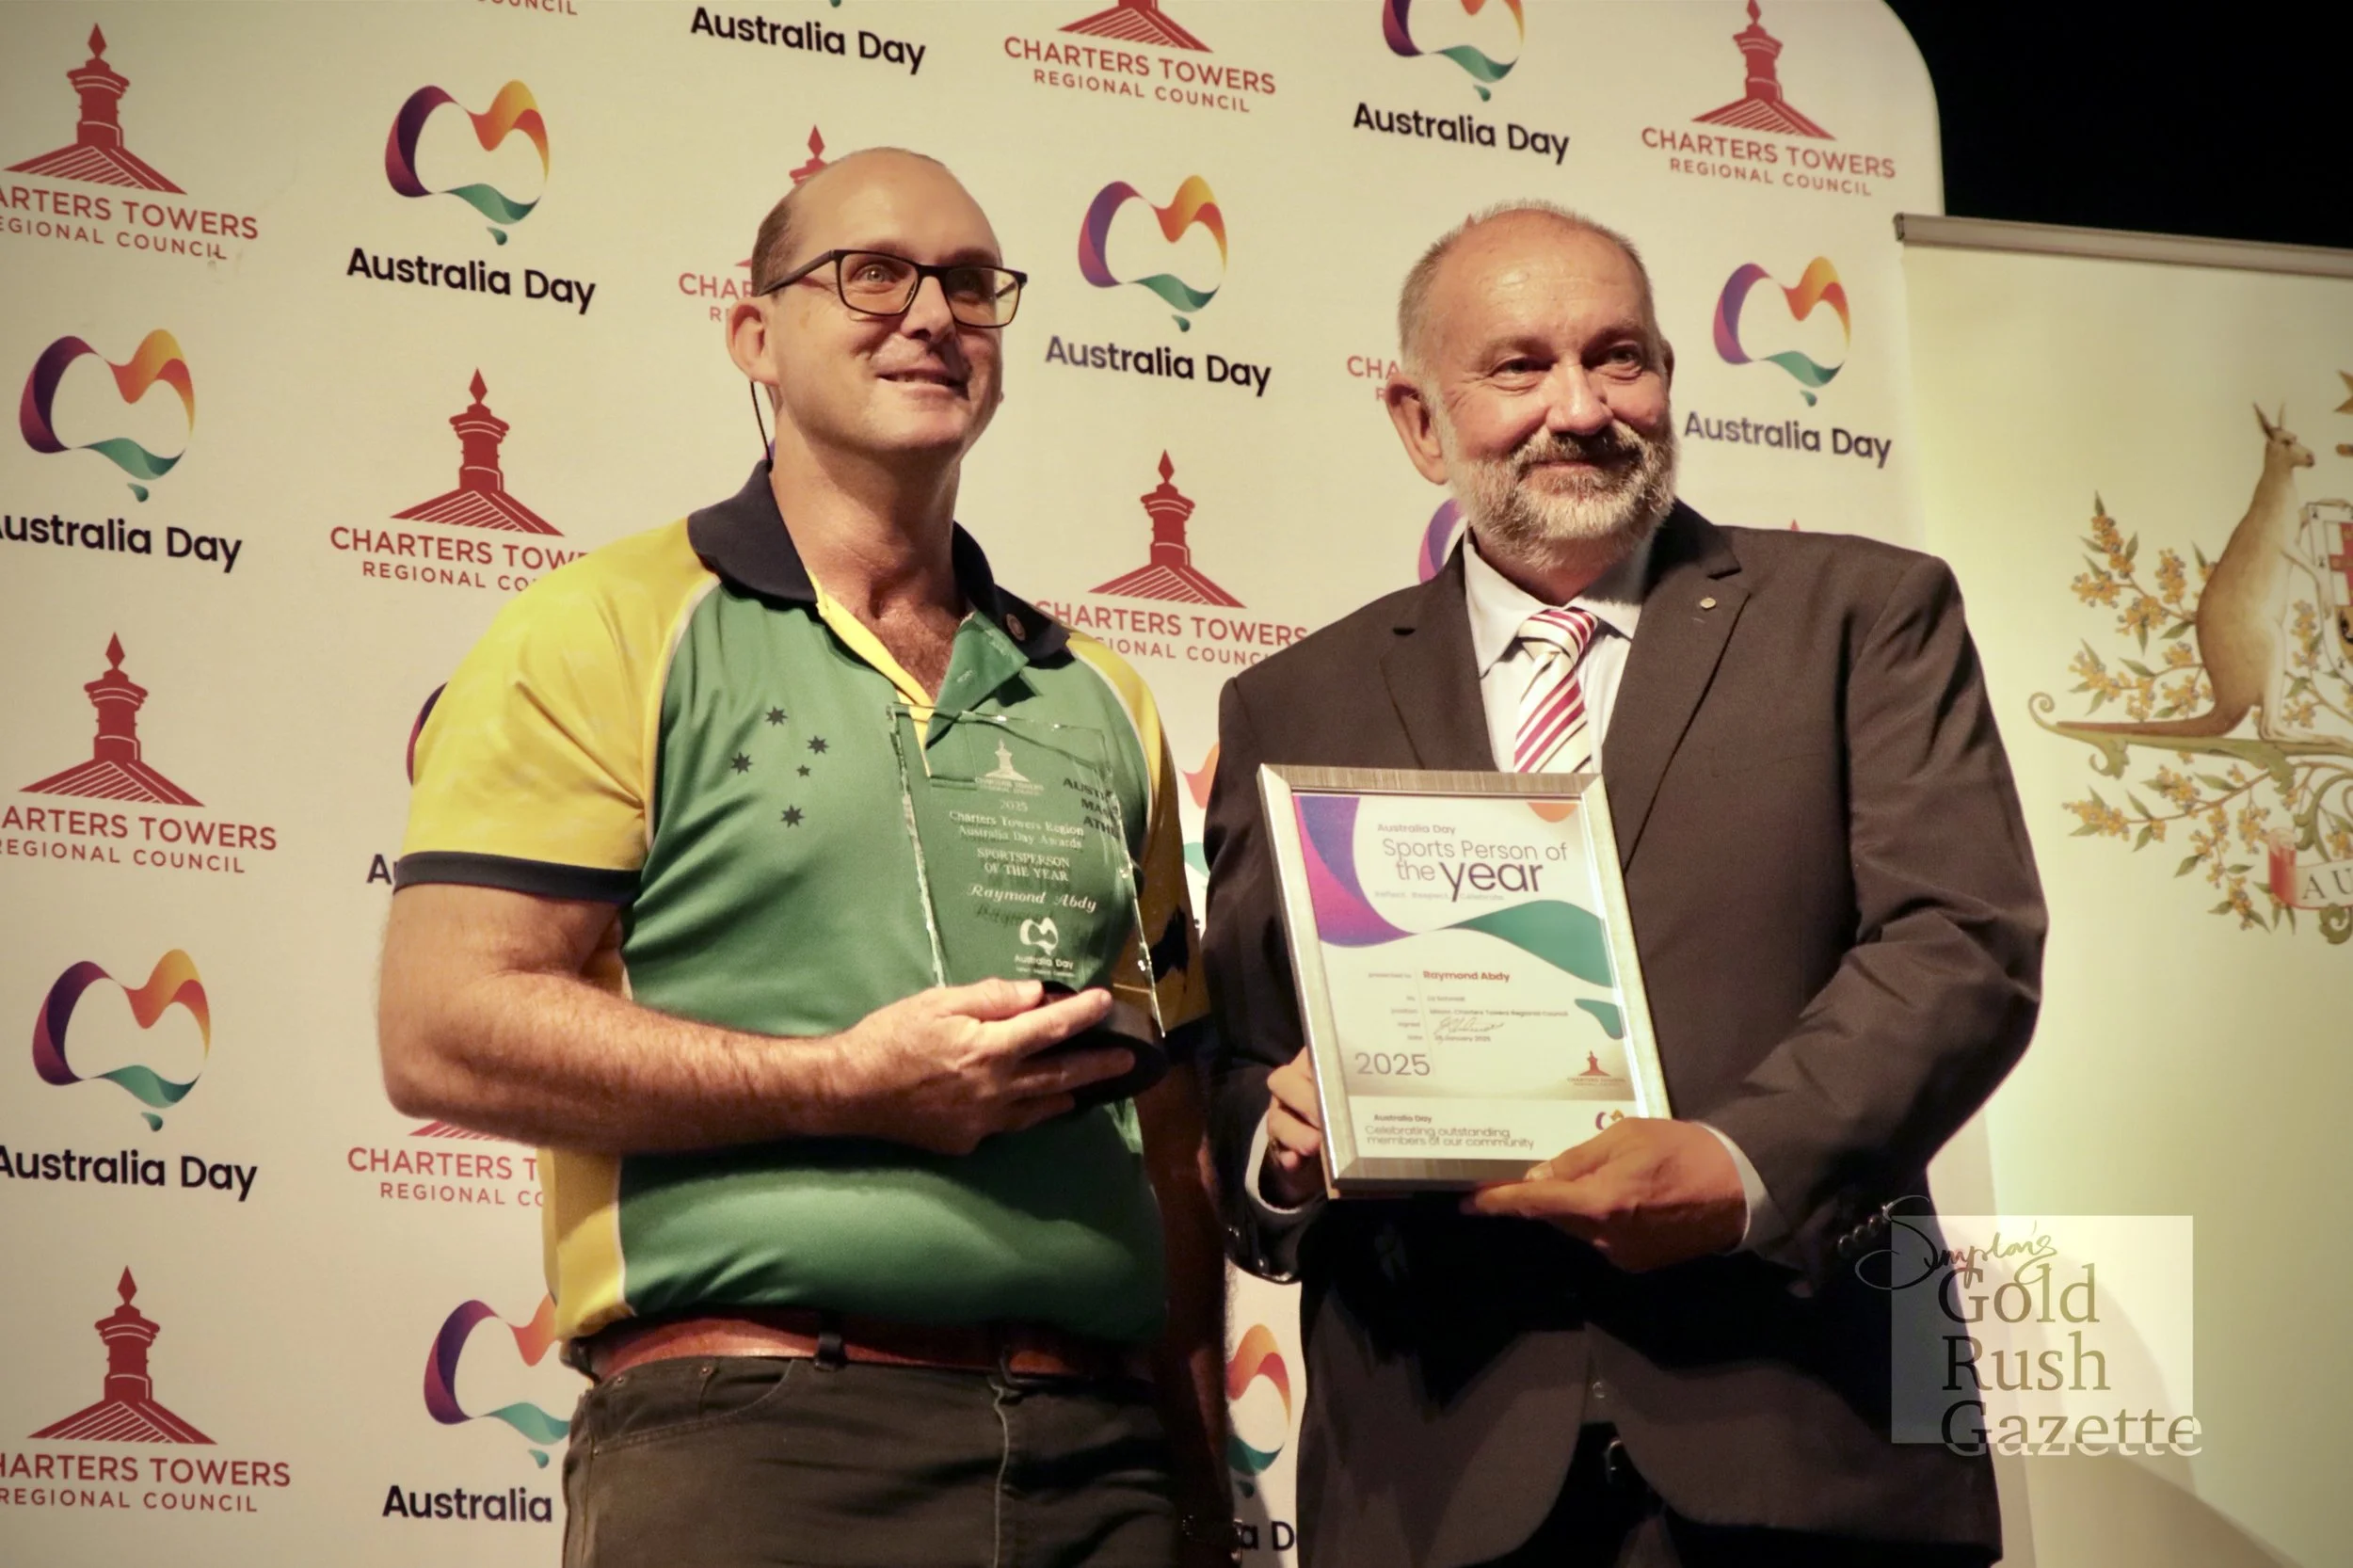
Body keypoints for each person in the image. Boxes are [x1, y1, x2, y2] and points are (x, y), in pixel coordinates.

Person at [378, 148, 1233, 1568]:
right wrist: (844, 1085)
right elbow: (441, 1027)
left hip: (1103, 1468)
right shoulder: (603, 628)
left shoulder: (1098, 693)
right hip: (765, 1440)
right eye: (872, 273)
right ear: (754, 335)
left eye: (970, 282)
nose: (932, 314)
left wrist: (1201, 1485)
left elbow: (1176, 1138)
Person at [1201, 202, 2046, 1567]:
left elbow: (1962, 944)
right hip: (1434, 1474)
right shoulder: (1292, 701)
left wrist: (1736, 1161)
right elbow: (1240, 1055)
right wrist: (1281, 1139)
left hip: (1803, 1440)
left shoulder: (1862, 618)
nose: (1582, 408)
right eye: (1520, 367)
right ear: (1420, 420)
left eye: (1622, 358)